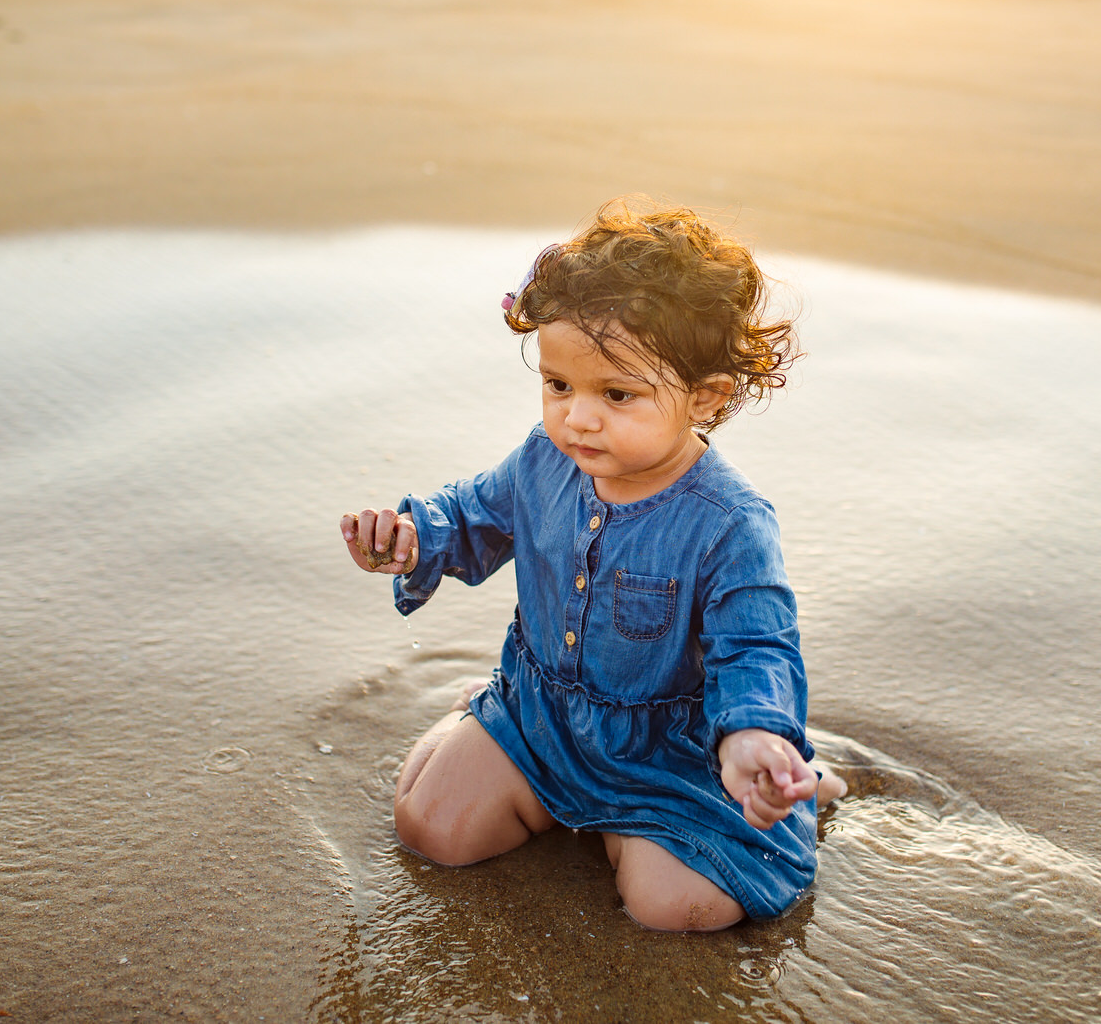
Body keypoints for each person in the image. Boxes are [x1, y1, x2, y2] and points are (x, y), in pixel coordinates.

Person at [341, 198, 844, 931]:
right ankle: (474, 718)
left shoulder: (730, 524)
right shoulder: (545, 460)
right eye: (558, 385)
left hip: (670, 756)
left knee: (673, 905)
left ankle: (792, 771)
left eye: (616, 394)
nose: (578, 416)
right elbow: (472, 514)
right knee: (431, 829)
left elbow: (758, 645)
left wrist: (751, 734)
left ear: (703, 396)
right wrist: (415, 536)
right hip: (539, 717)